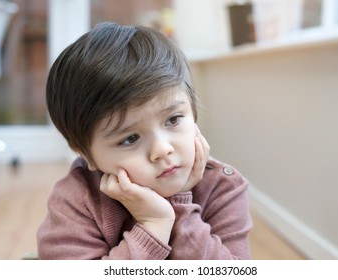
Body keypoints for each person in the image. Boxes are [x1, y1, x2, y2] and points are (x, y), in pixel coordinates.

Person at [37, 22, 253, 260]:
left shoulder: (223, 187)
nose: (162, 149)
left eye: (173, 119)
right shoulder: (76, 199)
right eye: (130, 138)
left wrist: (178, 204)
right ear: (86, 154)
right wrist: (154, 224)